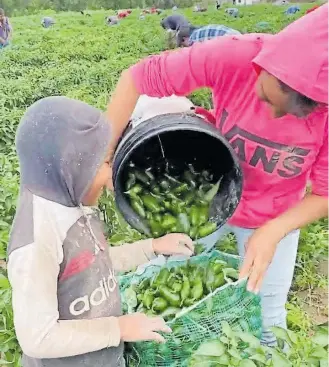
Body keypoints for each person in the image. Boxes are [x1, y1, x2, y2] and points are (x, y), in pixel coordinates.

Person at [105, 4, 328, 347]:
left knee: (268, 304)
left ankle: (269, 353)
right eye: (266, 96)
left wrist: (274, 231)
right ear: (264, 63)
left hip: (275, 212)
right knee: (171, 269)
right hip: (209, 191)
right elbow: (136, 78)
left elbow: (325, 193)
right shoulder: (234, 54)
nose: (267, 112)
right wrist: (105, 160)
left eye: (284, 113)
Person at [7, 96, 194, 367]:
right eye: (103, 165)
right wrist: (118, 329)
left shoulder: (74, 200)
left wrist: (151, 247)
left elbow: (92, 262)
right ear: (70, 167)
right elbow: (38, 336)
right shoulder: (36, 243)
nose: (109, 179)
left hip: (104, 356)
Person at [177, 24, 241, 47]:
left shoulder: (193, 39)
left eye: (184, 45)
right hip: (236, 35)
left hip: (229, 40)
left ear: (184, 39)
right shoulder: (200, 30)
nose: (186, 47)